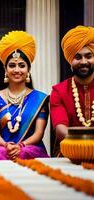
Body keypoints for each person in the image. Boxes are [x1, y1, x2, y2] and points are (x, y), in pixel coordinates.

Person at [0, 31, 49, 160]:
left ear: (28, 70)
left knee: (24, 152)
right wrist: (6, 145)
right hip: (3, 148)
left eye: (21, 65)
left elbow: (39, 133)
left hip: (30, 147)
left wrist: (21, 145)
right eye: (12, 65)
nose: (16, 70)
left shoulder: (39, 98)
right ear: (5, 69)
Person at [50, 26, 94, 156]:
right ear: (70, 61)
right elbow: (60, 130)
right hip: (70, 154)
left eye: (89, 56)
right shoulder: (59, 91)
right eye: (78, 57)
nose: (83, 62)